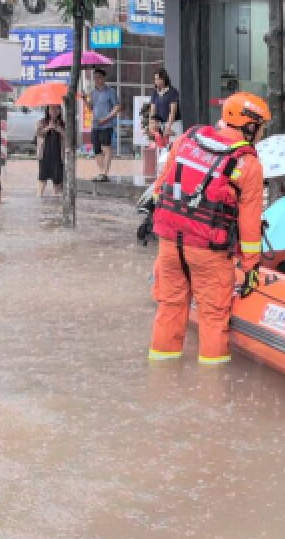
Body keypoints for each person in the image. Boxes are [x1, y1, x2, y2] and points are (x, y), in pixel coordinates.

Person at [148, 92, 269, 364]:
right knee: (213, 317)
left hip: (170, 244)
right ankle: (212, 390)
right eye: (261, 128)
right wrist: (251, 267)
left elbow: (159, 191)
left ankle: (160, 379)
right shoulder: (248, 165)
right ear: (249, 126)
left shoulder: (186, 140)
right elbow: (249, 227)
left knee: (169, 308)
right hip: (210, 251)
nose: (261, 134)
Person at [86, 67, 119, 182]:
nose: (97, 80)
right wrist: (85, 100)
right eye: (95, 78)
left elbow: (117, 108)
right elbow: (91, 108)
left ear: (104, 78)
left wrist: (106, 118)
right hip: (95, 125)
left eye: (99, 77)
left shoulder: (110, 91)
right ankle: (101, 172)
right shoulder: (93, 92)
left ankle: (105, 173)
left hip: (107, 124)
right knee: (97, 149)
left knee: (106, 147)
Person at [36, 104, 65, 197]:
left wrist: (58, 129)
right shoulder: (42, 122)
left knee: (57, 180)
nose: (54, 111)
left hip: (58, 155)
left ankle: (56, 200)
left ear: (60, 111)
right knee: (42, 178)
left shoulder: (62, 123)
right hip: (45, 154)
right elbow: (39, 134)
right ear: (47, 110)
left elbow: (68, 137)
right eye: (51, 108)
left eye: (56, 108)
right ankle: (39, 197)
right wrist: (48, 127)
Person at [151, 68, 181, 140]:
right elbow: (152, 110)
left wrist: (168, 126)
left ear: (164, 79)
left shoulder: (172, 92)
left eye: (158, 79)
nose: (156, 81)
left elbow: (173, 111)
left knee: (172, 146)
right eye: (155, 79)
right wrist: (151, 124)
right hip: (160, 124)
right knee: (161, 147)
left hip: (173, 124)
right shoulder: (155, 93)